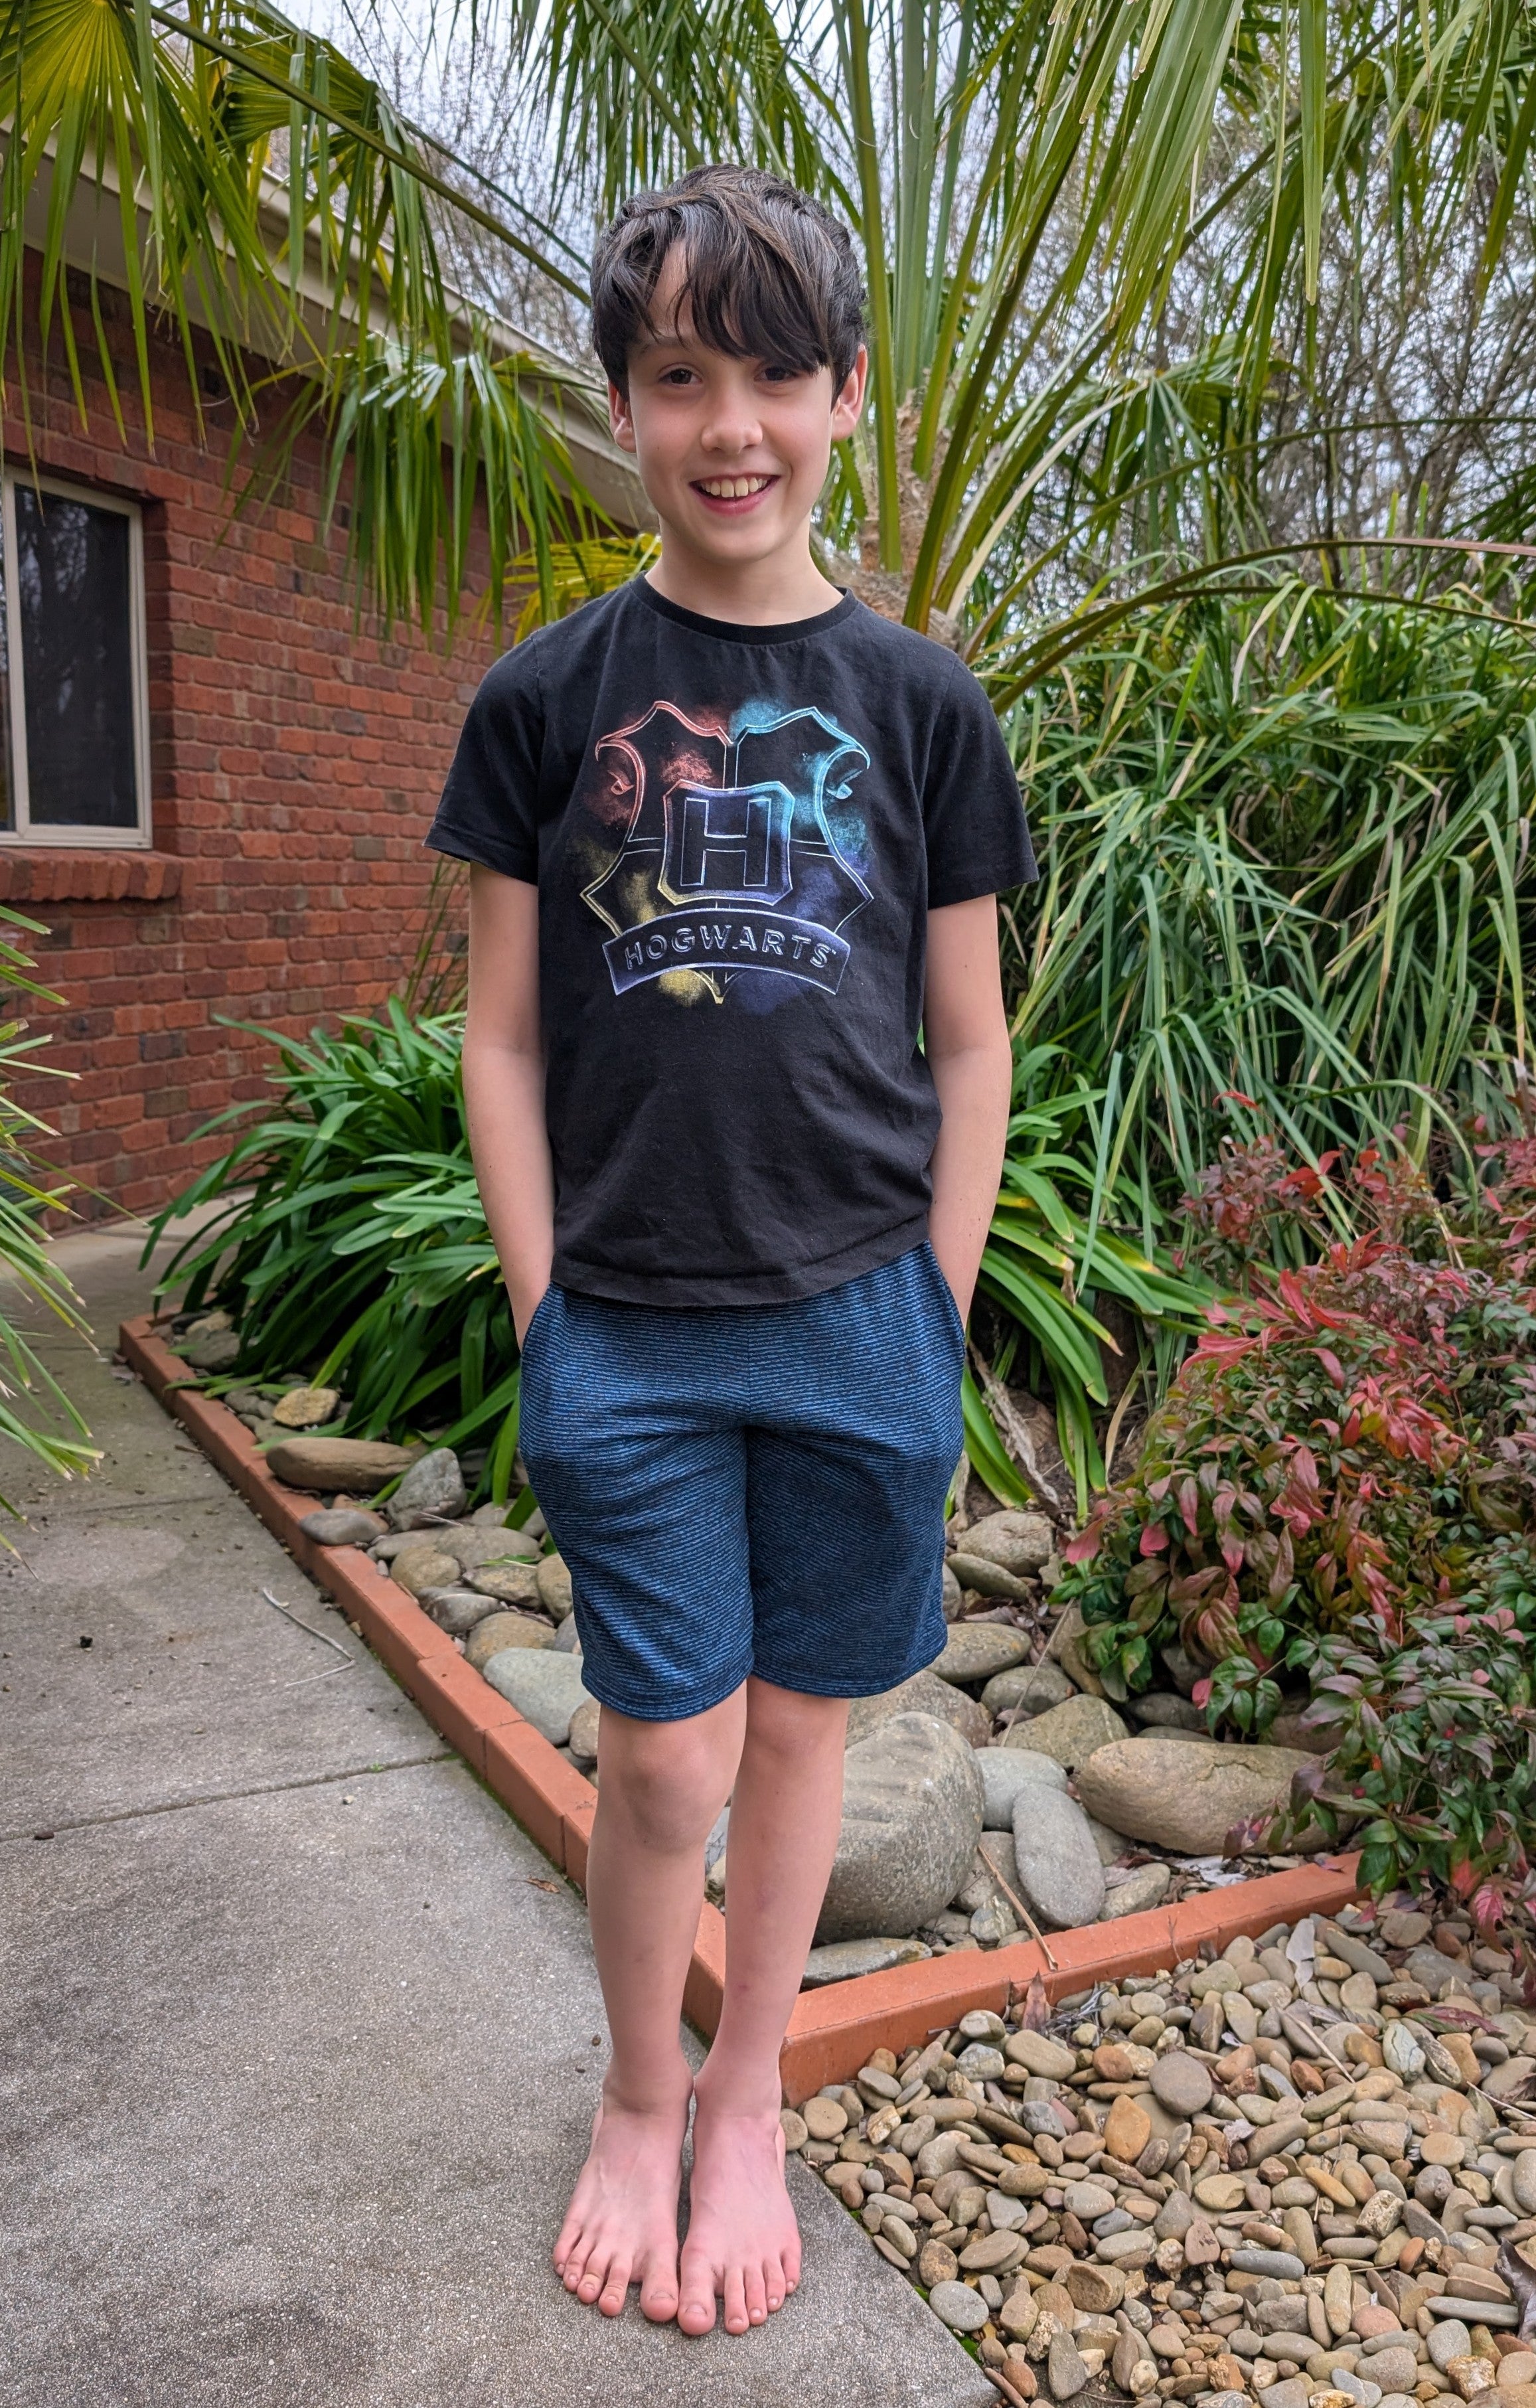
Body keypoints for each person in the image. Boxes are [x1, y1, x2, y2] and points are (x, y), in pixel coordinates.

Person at [426, 161, 1036, 2342]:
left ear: (848, 394)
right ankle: (633, 2083)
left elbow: (969, 1046)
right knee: (663, 1746)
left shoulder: (922, 708)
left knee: (802, 1734)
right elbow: (496, 1037)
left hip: (866, 1307)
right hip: (634, 1329)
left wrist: (939, 1306)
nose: (734, 422)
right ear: (626, 404)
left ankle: (751, 2087)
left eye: (779, 369)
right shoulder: (542, 699)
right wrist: (542, 1303)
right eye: (682, 374)